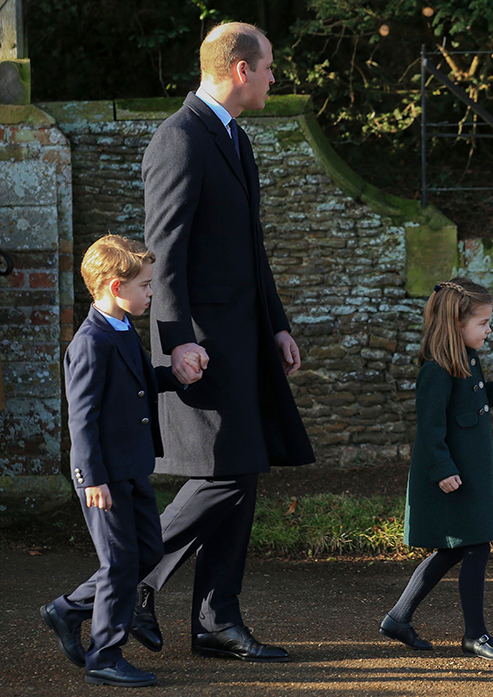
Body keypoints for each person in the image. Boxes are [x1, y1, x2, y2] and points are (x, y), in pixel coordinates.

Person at [131, 21, 315, 662]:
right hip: (202, 343)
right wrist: (175, 341)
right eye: (267, 67)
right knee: (227, 474)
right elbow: (165, 254)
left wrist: (277, 324)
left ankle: (215, 621)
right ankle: (125, 580)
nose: (272, 77)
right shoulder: (179, 139)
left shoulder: (233, 137)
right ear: (240, 69)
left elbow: (250, 248)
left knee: (243, 469)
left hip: (242, 338)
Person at [40, 235, 202, 687]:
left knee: (148, 550)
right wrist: (92, 478)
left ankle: (67, 609)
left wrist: (173, 376)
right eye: (146, 285)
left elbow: (135, 383)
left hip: (132, 469)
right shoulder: (89, 343)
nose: (151, 293)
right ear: (116, 287)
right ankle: (104, 656)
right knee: (118, 565)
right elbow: (82, 417)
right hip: (102, 477)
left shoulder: (122, 329)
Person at [379, 278, 493, 661]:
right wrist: (442, 469)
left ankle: (398, 618)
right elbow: (430, 428)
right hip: (450, 476)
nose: (488, 330)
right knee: (476, 546)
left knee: (454, 550)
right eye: (483, 323)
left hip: (469, 472)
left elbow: (477, 397)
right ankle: (475, 635)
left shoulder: (467, 359)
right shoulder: (436, 369)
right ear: (456, 324)